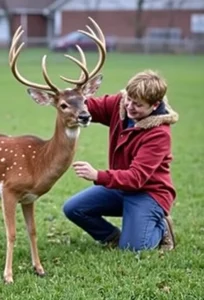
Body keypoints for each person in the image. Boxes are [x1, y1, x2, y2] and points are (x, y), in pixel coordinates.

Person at [63, 70, 179, 251]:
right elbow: (87, 107)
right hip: (120, 187)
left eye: (138, 105)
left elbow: (136, 178)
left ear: (155, 105)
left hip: (149, 193)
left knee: (135, 249)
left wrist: (97, 175)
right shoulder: (120, 104)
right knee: (73, 208)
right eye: (129, 99)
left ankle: (162, 227)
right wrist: (71, 97)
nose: (130, 107)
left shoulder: (159, 134)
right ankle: (112, 237)